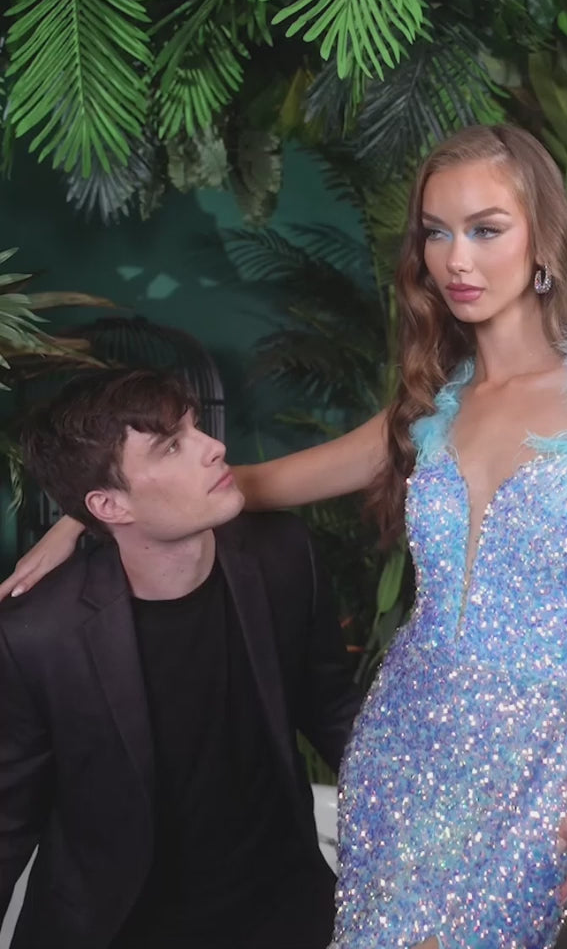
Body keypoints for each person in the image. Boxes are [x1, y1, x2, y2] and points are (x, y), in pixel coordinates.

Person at [4, 124, 567, 947]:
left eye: (486, 229)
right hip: (408, 749)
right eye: (436, 233)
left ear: (545, 235)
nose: (456, 261)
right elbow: (238, 487)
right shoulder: (431, 406)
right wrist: (88, 512)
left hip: (552, 758)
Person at [0, 369, 361, 949]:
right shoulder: (37, 637)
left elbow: (335, 712)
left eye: (195, 427)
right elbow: (7, 824)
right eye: (171, 446)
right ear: (108, 505)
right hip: (120, 928)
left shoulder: (285, 556)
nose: (214, 447)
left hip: (285, 911)